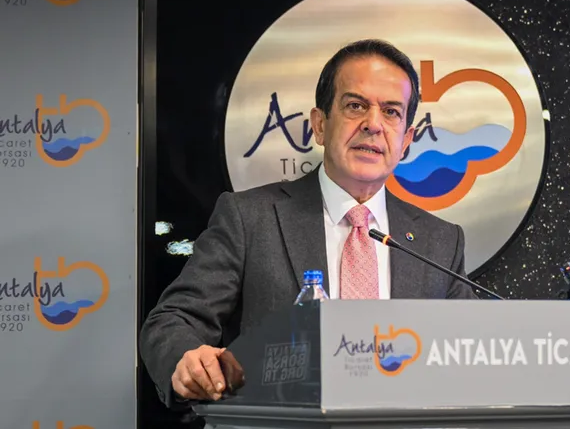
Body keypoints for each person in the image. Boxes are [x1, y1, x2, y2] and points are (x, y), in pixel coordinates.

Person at [139, 39, 477, 408]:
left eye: (392, 112)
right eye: (355, 106)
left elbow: (472, 351)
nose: (373, 125)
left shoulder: (440, 242)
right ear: (319, 125)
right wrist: (187, 361)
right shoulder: (249, 218)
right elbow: (172, 320)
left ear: (407, 140)